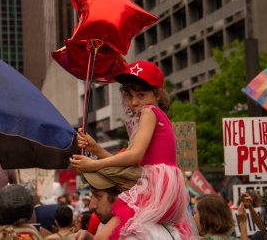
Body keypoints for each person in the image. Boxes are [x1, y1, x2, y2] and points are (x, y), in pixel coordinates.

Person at [70, 60, 197, 239]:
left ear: (157, 94)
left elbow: (134, 156)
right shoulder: (153, 116)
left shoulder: (149, 112)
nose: (135, 102)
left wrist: (93, 165)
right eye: (129, 95)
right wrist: (97, 149)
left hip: (154, 186)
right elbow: (128, 162)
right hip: (161, 185)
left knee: (107, 230)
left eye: (141, 94)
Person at [74, 165, 181, 240]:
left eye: (98, 196)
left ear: (121, 195)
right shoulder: (134, 226)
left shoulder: (135, 233)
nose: (91, 206)